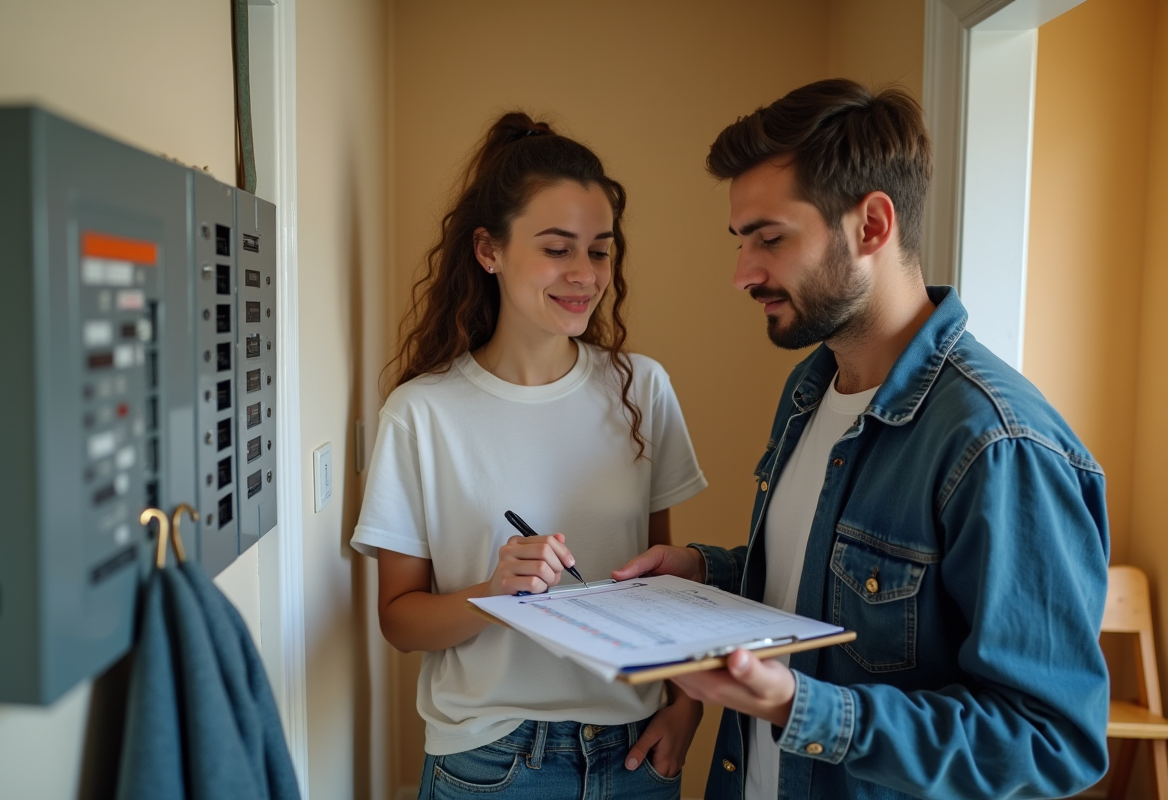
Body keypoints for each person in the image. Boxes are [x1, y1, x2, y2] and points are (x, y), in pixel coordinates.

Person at [614, 79, 1110, 800]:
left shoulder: (1001, 445)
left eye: (770, 238)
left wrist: (800, 707)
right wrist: (709, 571)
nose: (742, 275)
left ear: (872, 225)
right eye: (742, 240)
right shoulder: (811, 389)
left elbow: (1048, 742)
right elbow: (825, 588)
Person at [352, 112, 707, 799]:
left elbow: (664, 582)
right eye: (557, 248)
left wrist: (686, 709)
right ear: (489, 250)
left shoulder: (643, 389)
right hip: (491, 762)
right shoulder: (422, 413)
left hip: (635, 753)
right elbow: (398, 620)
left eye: (600, 250)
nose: (584, 274)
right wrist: (493, 594)